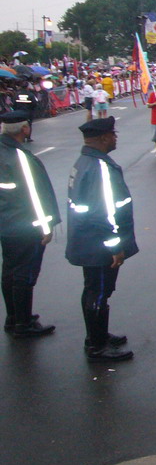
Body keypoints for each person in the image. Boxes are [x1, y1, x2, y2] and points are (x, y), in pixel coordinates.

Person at [66, 116, 136, 362]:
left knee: (97, 291)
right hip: (99, 244)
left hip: (88, 241)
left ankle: (99, 335)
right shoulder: (99, 168)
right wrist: (115, 246)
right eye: (113, 134)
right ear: (104, 138)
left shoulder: (85, 161)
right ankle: (97, 346)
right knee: (98, 292)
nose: (116, 137)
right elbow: (103, 211)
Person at [0, 111, 61, 338]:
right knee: (24, 275)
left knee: (9, 271)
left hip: (6, 223)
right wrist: (46, 226)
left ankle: (14, 317)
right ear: (25, 129)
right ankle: (23, 323)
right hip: (25, 226)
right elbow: (35, 195)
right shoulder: (20, 157)